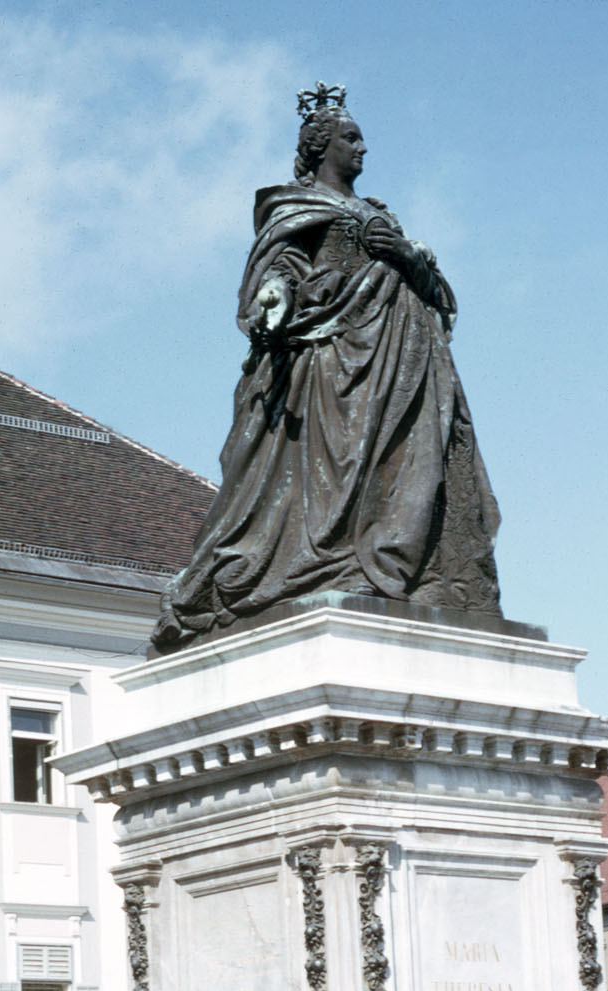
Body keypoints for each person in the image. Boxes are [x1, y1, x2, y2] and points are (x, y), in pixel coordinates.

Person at [152, 82, 500, 653]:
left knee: (408, 466)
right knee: (336, 472)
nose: (362, 148)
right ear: (320, 146)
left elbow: (440, 297)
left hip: (406, 359)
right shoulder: (298, 206)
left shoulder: (381, 215)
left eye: (362, 139)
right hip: (335, 359)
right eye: (351, 138)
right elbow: (278, 269)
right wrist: (273, 296)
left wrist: (408, 255)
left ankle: (402, 564)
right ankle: (335, 560)